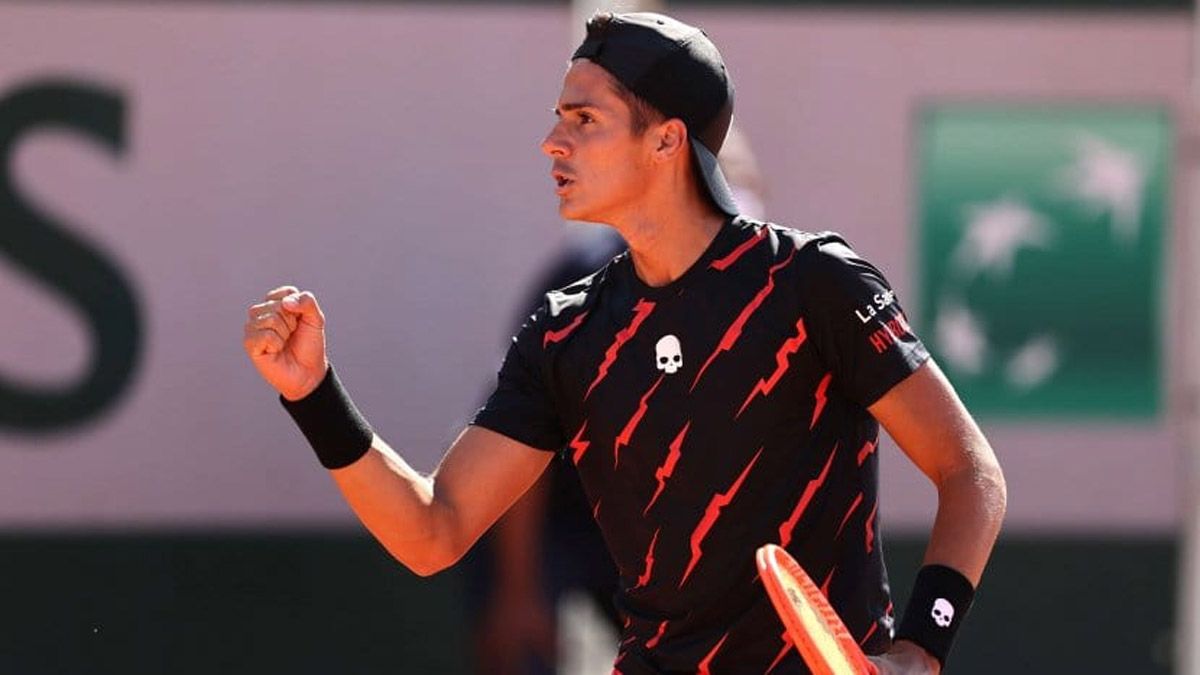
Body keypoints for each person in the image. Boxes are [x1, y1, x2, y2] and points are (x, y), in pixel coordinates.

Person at [242, 12, 1006, 674]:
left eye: (584, 119)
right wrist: (314, 395)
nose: (550, 142)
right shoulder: (566, 331)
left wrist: (919, 649)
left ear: (667, 141)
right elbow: (432, 531)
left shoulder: (815, 283)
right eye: (557, 117)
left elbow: (969, 473)